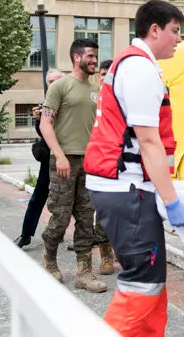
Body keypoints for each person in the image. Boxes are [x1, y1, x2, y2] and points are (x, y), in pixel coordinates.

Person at [84, 0, 184, 336]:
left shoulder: (130, 65)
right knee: (142, 283)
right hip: (127, 190)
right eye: (175, 31)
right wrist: (172, 202)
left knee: (153, 281)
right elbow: (148, 143)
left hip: (126, 188)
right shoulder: (140, 69)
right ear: (155, 30)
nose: (179, 39)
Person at [39, 39, 109, 293]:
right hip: (65, 161)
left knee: (85, 216)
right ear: (76, 57)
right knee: (60, 215)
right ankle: (49, 259)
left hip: (90, 162)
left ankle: (84, 272)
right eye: (90, 56)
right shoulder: (60, 86)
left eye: (95, 56)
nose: (94, 60)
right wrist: (59, 155)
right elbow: (46, 124)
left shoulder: (96, 88)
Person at [14, 69, 64, 249]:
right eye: (50, 81)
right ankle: (26, 234)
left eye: (57, 81)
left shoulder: (71, 103)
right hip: (50, 159)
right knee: (38, 196)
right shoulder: (46, 104)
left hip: (71, 156)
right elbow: (43, 134)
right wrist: (38, 120)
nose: (54, 84)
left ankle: (83, 236)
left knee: (77, 199)